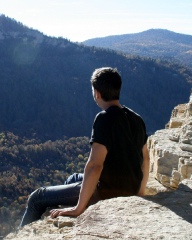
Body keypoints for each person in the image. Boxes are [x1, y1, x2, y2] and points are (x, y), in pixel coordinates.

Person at [18, 67, 150, 227]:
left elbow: (95, 165)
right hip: (129, 187)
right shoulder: (136, 118)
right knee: (73, 178)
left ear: (97, 93)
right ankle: (60, 205)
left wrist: (78, 208)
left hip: (107, 192)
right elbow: (146, 158)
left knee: (36, 198)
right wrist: (139, 192)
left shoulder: (104, 119)